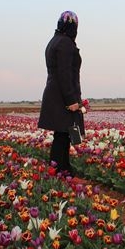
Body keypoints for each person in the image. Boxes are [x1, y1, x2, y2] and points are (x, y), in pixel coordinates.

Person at [38, 10, 84, 176]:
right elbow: (65, 73)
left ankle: (63, 169)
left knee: (62, 134)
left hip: (56, 93)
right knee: (62, 135)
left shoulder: (55, 41)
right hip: (62, 95)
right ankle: (59, 170)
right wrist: (71, 99)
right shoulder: (65, 43)